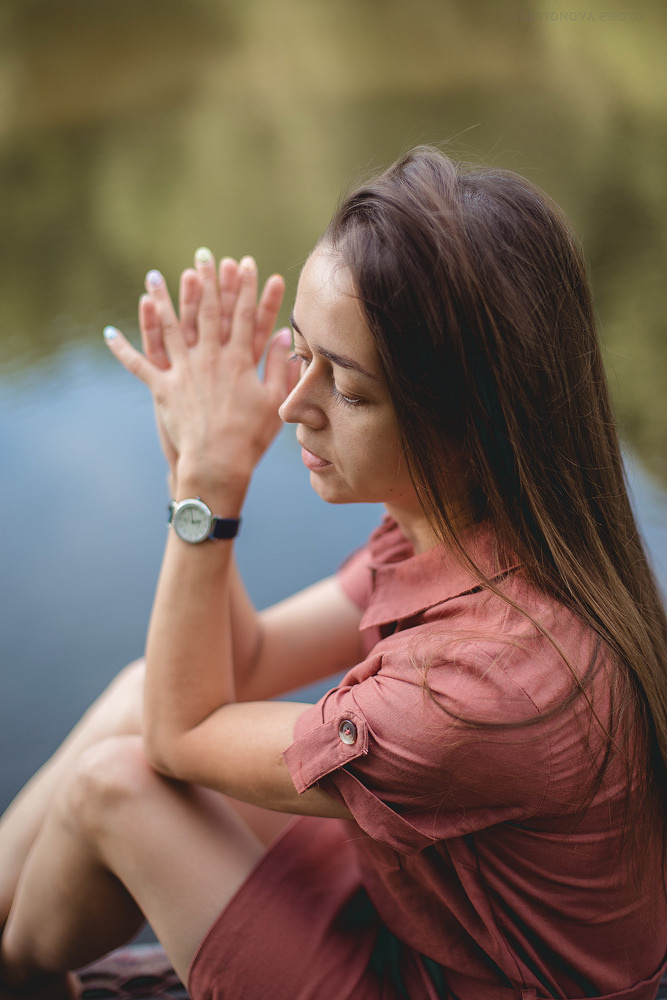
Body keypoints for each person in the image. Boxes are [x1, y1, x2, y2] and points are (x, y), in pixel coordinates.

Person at [0, 145, 666, 1000]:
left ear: (473, 421)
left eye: (346, 389)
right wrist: (194, 470)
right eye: (299, 353)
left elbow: (181, 734)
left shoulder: (483, 687)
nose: (292, 404)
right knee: (138, 694)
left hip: (451, 981)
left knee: (113, 790)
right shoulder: (464, 528)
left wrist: (207, 494)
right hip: (430, 909)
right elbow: (235, 665)